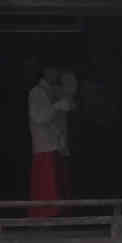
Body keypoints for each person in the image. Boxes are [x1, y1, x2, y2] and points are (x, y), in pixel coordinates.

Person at [27, 65, 76, 217]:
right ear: (45, 71)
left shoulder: (56, 90)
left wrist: (69, 90)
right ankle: (45, 218)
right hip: (45, 146)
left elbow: (71, 104)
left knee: (59, 187)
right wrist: (56, 106)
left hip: (58, 144)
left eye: (57, 70)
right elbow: (38, 116)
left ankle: (58, 217)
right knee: (47, 187)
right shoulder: (36, 92)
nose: (56, 73)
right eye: (52, 69)